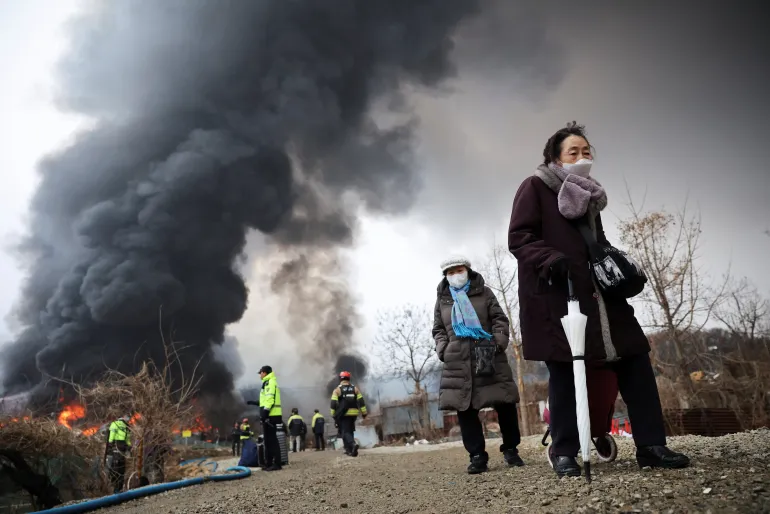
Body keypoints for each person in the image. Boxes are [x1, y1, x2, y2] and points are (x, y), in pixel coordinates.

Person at [507, 121, 690, 477]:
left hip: (602, 296)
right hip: (559, 295)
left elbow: (593, 244)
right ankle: (565, 452)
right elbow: (519, 237)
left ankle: (652, 446)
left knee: (634, 359)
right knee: (564, 373)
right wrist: (551, 259)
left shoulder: (588, 194)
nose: (582, 156)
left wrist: (615, 262)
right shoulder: (535, 187)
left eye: (586, 151)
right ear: (555, 158)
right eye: (573, 151)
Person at [432, 257, 525, 474]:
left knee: (505, 403)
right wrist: (443, 349)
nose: (456, 274)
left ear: (467, 270)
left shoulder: (484, 292)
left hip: (489, 355)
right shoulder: (443, 300)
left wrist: (498, 342)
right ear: (445, 275)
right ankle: (477, 456)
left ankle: (511, 449)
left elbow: (500, 319)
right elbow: (438, 329)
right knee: (466, 408)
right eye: (451, 272)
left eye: (459, 270)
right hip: (458, 362)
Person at [330, 371, 367, 457]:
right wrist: (364, 413)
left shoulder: (337, 390)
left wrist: (333, 414)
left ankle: (353, 444)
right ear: (349, 379)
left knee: (345, 432)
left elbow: (333, 403)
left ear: (340, 379)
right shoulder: (355, 389)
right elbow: (361, 401)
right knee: (350, 430)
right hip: (354, 413)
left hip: (344, 414)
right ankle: (351, 451)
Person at [259, 365, 283, 471]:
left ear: (265, 373)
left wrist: (265, 413)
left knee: (272, 440)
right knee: (268, 440)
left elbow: (269, 399)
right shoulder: (267, 382)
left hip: (271, 415)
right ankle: (269, 463)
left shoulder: (270, 382)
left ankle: (277, 463)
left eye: (261, 373)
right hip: (270, 415)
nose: (260, 375)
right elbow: (265, 400)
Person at [107, 415, 131, 494]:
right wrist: (128, 449)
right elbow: (128, 440)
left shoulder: (114, 424)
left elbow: (111, 436)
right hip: (123, 448)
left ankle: (115, 489)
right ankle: (119, 488)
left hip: (115, 447)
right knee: (121, 469)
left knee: (114, 468)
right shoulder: (126, 426)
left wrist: (110, 444)